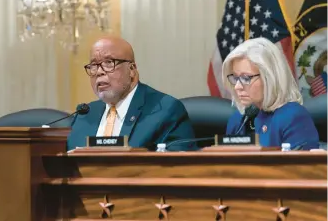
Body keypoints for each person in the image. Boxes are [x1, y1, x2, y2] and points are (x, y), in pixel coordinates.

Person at [67, 36, 196, 151]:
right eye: (94, 65)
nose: (99, 72)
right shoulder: (84, 115)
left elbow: (177, 169)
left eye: (109, 63)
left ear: (132, 70)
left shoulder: (165, 110)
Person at [223, 37, 319, 150]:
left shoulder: (293, 117)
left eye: (245, 78)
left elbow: (301, 167)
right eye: (235, 78)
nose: (237, 86)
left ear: (269, 78)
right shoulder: (238, 120)